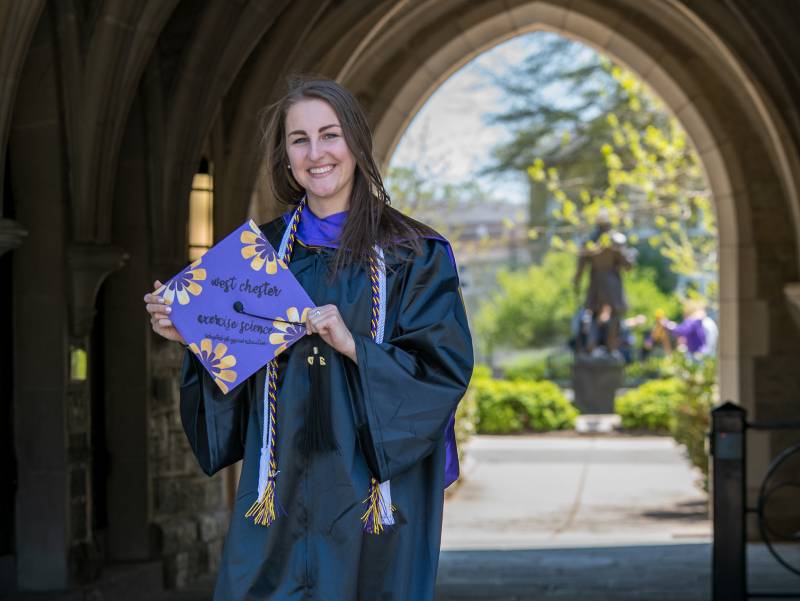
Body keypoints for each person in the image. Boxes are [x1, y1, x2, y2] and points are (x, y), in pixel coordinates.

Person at [143, 78, 474, 600]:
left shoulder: (415, 254)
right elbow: (233, 379)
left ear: (357, 144)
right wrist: (191, 335)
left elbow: (441, 372)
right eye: (299, 139)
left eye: (330, 135)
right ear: (285, 156)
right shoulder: (257, 258)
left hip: (371, 493)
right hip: (280, 487)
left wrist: (353, 345)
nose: (316, 153)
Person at [572, 210, 637, 352]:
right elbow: (628, 265)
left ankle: (592, 345)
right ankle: (610, 348)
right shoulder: (616, 240)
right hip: (612, 283)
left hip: (595, 282)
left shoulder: (590, 241)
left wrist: (576, 281)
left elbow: (580, 266)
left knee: (594, 315)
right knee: (614, 316)